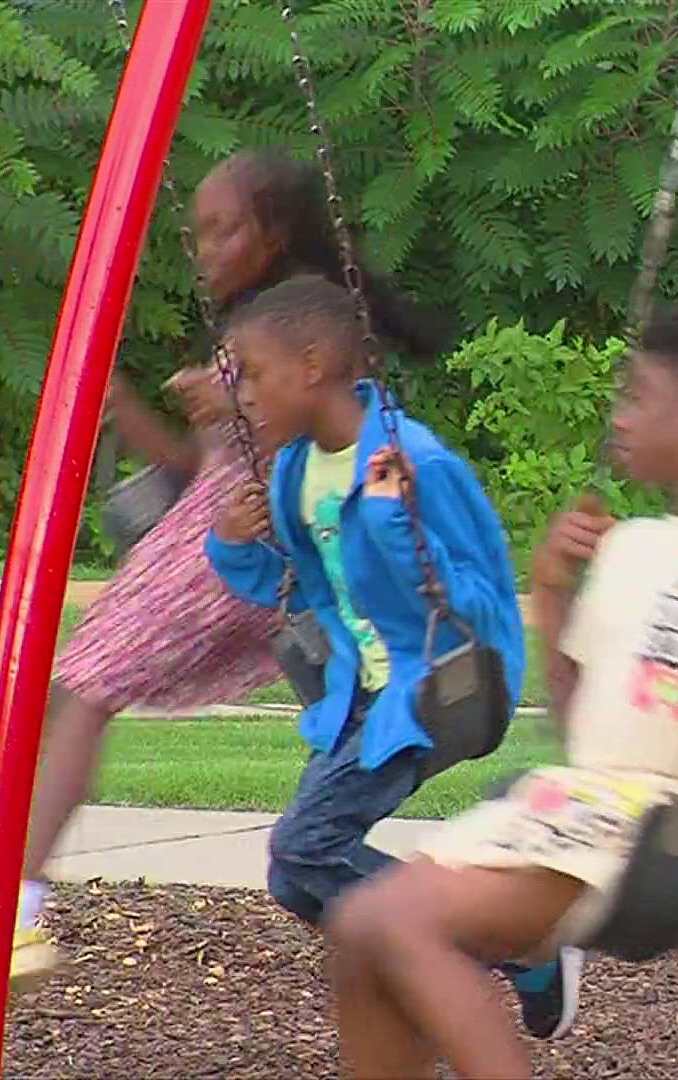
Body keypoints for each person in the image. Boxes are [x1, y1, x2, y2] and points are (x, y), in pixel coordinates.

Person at [0, 151, 576, 1037]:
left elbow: (456, 557)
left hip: (345, 625)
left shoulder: (321, 364)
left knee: (78, 695)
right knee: (97, 720)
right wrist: (151, 433)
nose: (204, 246)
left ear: (277, 235)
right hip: (252, 560)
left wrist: (249, 438)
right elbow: (228, 493)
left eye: (222, 228)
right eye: (200, 230)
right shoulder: (284, 398)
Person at [318, 302, 678, 1079]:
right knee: (360, 929)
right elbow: (583, 731)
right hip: (583, 805)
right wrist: (553, 595)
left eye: (639, 395)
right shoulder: (632, 545)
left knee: (399, 924)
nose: (621, 420)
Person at [204, 273, 584, 1039]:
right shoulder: (292, 471)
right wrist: (231, 545)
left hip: (438, 689)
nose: (239, 392)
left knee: (306, 846)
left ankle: (462, 940)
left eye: (252, 372)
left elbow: (481, 593)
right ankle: (521, 953)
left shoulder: (418, 463)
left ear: (311, 365)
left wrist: (399, 535)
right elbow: (301, 587)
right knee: (295, 875)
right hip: (360, 696)